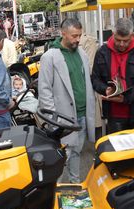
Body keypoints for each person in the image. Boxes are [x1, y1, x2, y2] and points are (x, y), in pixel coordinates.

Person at [38, 18, 96, 184]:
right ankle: (53, 189)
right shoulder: (50, 57)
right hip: (63, 118)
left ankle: (74, 184)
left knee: (77, 151)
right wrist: (53, 120)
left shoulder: (82, 54)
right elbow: (44, 91)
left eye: (80, 35)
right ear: (63, 34)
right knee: (62, 156)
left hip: (82, 115)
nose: (78, 39)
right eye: (74, 36)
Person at [91, 18, 134, 134]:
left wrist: (125, 98)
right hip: (113, 113)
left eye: (126, 40)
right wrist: (106, 90)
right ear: (113, 34)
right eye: (118, 40)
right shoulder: (102, 52)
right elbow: (95, 78)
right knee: (117, 147)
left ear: (132, 35)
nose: (122, 44)